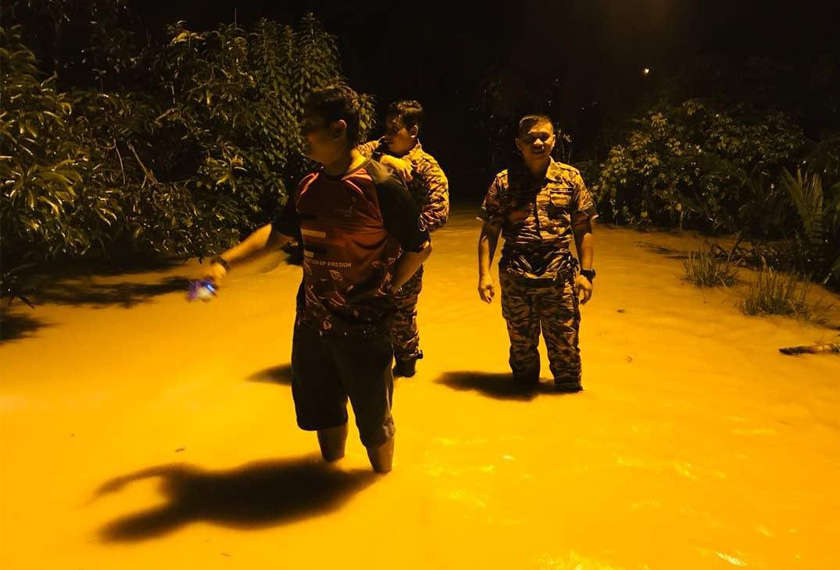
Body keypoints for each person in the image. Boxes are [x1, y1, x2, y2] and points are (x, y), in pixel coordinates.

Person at [203, 85, 432, 473]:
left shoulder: (381, 185)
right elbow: (277, 235)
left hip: (364, 328)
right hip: (312, 325)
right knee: (323, 415)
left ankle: (382, 486)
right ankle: (330, 481)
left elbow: (420, 247)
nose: (302, 133)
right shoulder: (307, 185)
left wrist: (388, 287)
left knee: (374, 427)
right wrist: (224, 264)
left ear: (338, 129)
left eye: (310, 125)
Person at [477, 114, 597, 393]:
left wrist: (586, 274)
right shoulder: (503, 182)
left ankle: (569, 406)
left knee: (567, 353)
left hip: (559, 279)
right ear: (519, 143)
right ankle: (525, 408)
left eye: (544, 136)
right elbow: (490, 231)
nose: (538, 143)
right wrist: (484, 275)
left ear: (554, 140)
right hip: (516, 278)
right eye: (530, 138)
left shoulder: (570, 178)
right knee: (522, 354)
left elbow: (583, 228)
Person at [357, 100, 449, 377]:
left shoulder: (427, 168)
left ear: (413, 130)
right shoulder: (374, 150)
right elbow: (343, 157)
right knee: (361, 308)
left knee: (402, 314)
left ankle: (407, 364)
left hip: (404, 256)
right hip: (365, 251)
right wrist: (382, 162)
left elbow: (439, 213)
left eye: (394, 129)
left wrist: (404, 231)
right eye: (386, 127)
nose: (387, 134)